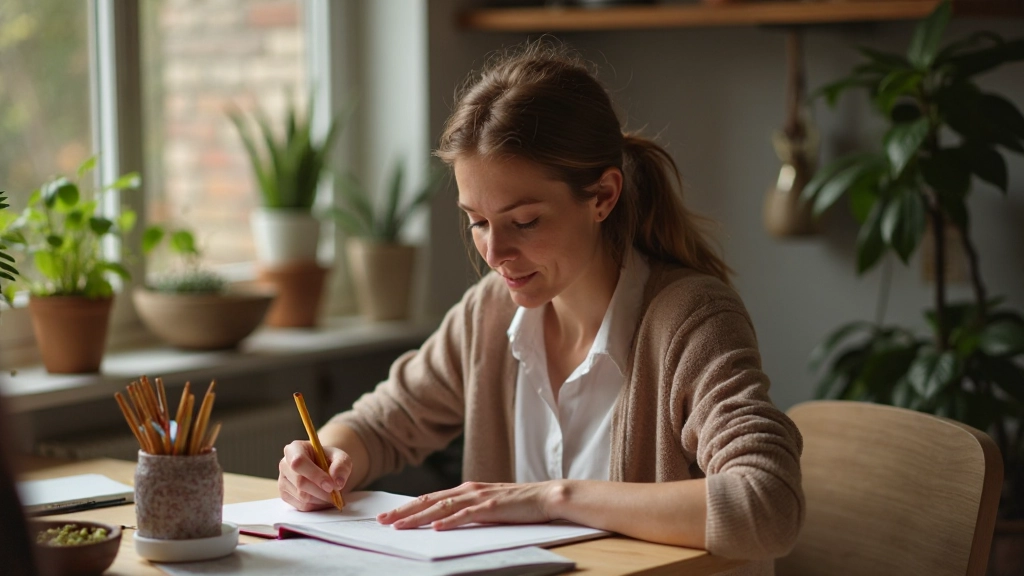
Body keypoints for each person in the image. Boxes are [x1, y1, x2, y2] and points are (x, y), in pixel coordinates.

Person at [279, 41, 803, 575]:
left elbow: (768, 503)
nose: (494, 253)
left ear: (602, 196)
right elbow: (381, 425)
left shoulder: (690, 320)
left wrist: (552, 498)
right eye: (477, 221)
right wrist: (322, 464)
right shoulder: (489, 313)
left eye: (524, 222)